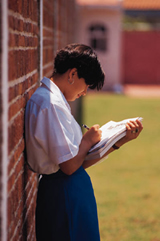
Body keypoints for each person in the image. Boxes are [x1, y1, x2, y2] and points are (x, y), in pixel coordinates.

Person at [25, 43, 143, 241]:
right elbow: (69, 166)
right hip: (64, 195)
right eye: (86, 84)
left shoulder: (56, 101)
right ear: (72, 74)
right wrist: (87, 141)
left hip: (70, 191)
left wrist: (118, 142)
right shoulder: (50, 104)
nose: (85, 92)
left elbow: (76, 162)